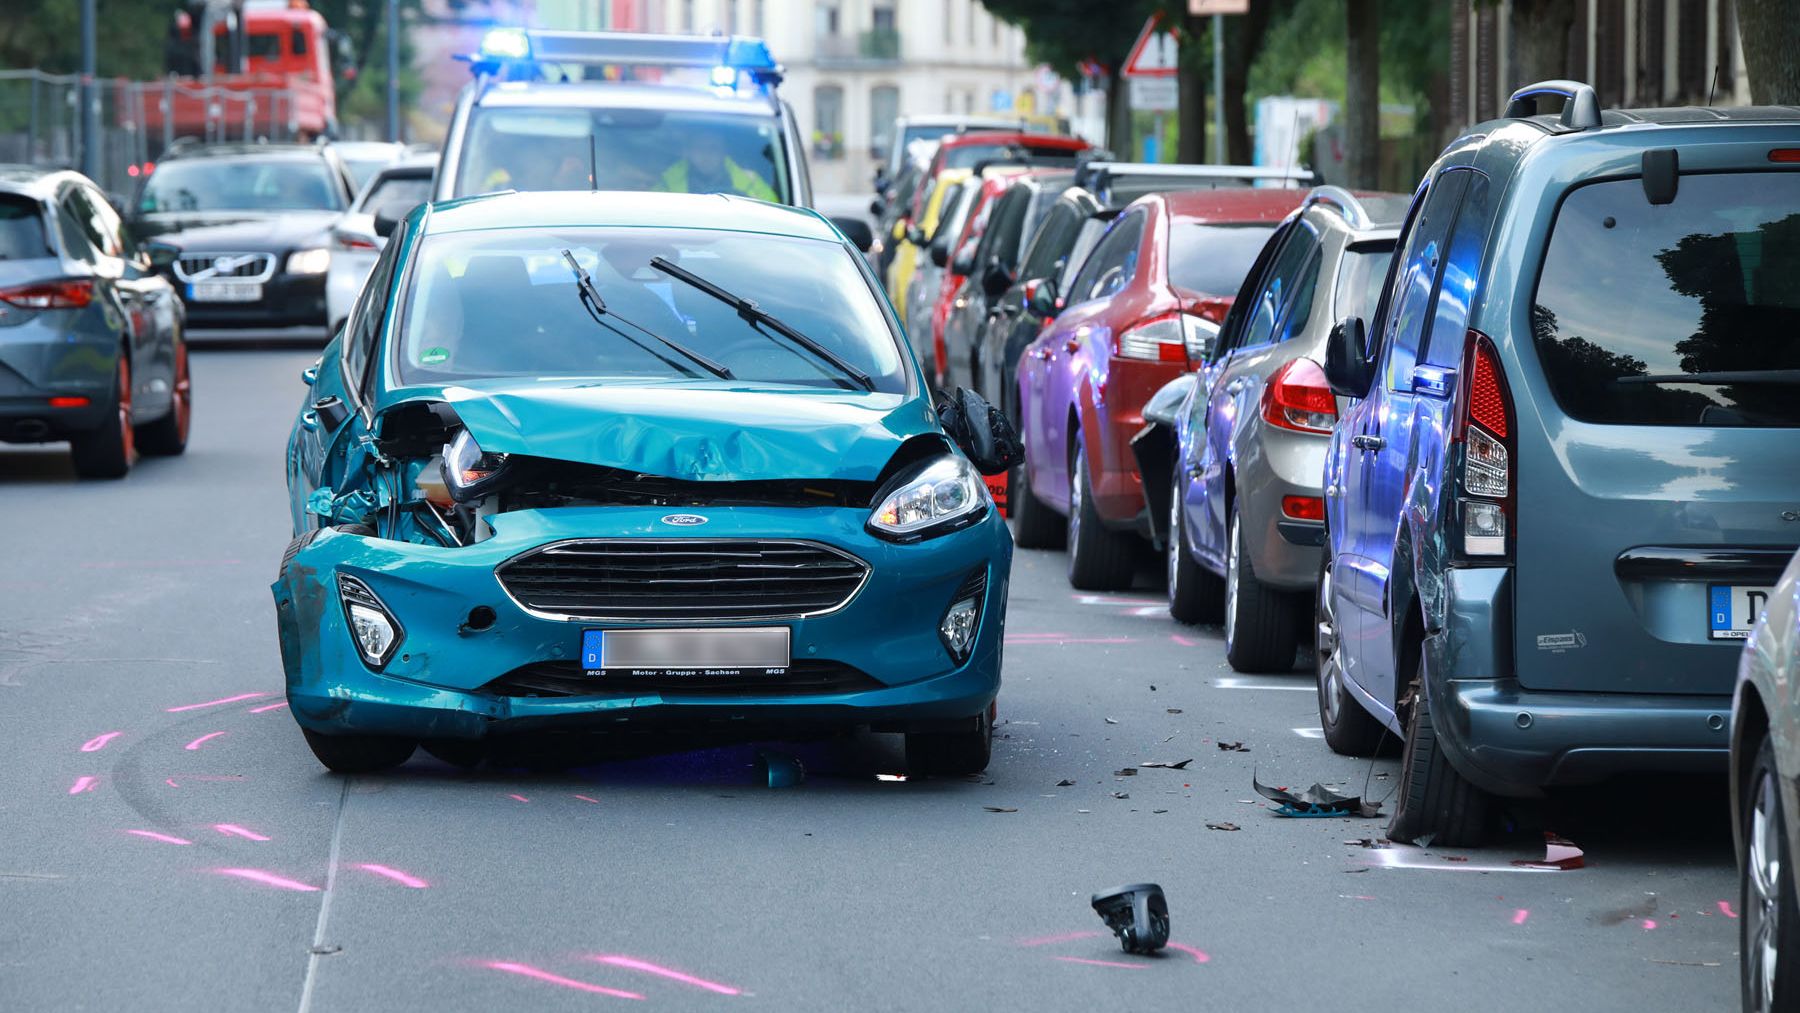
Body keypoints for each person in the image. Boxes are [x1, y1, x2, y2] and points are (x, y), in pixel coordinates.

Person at [654, 132, 777, 201]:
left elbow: (776, 217)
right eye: (699, 148)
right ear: (688, 152)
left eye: (713, 148)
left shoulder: (752, 183)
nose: (706, 154)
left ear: (724, 152)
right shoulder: (667, 184)